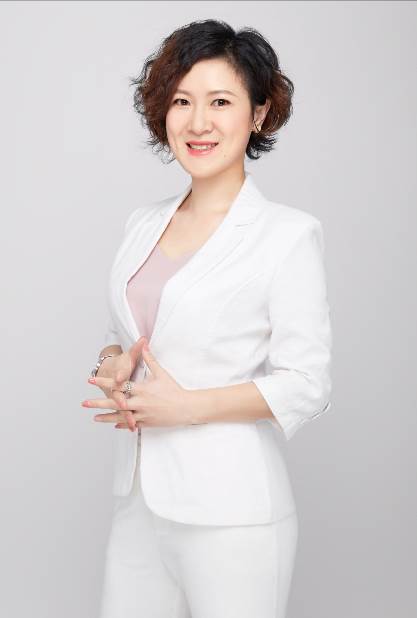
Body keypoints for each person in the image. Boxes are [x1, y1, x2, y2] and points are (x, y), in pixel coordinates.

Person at [83, 19, 332, 618]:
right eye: (181, 102)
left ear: (259, 113)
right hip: (138, 501)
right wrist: (112, 365)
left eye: (220, 102)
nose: (198, 123)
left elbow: (307, 383)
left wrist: (187, 407)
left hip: (233, 512)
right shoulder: (143, 223)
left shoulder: (287, 236)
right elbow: (124, 336)